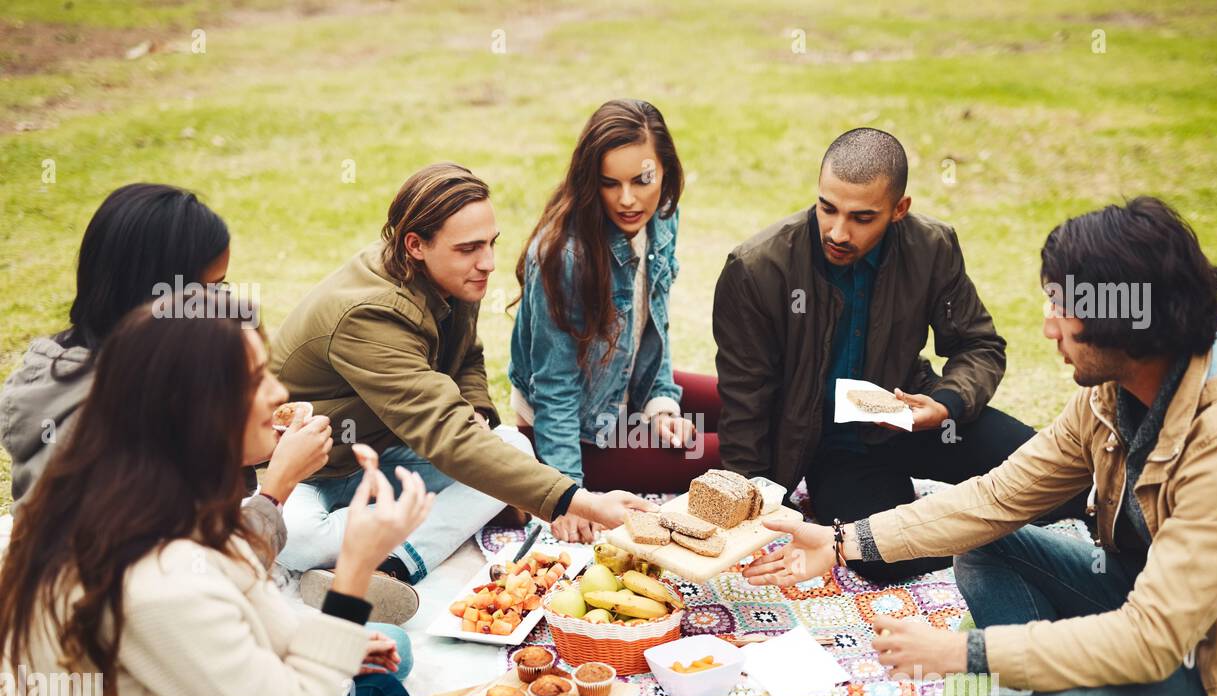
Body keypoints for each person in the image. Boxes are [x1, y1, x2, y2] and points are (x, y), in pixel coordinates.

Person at [744, 197, 1217, 696]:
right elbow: (996, 498)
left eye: (1063, 310)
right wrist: (845, 540)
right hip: (1147, 600)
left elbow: (1153, 638)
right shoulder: (1116, 391)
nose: (1048, 328)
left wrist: (966, 653)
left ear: (1126, 324)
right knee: (982, 543)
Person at [0, 294, 431, 696]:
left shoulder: (156, 496)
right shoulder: (155, 575)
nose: (280, 395)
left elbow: (249, 610)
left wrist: (331, 643)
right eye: (257, 381)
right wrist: (352, 572)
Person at [713, 128, 1085, 583]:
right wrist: (757, 505)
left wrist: (945, 404)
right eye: (827, 207)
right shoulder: (756, 269)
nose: (837, 231)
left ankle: (979, 524)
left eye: (862, 217)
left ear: (899, 210)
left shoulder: (931, 246)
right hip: (832, 450)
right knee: (879, 558)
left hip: (919, 418)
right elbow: (745, 399)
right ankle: (978, 534)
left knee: (1062, 483)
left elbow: (978, 345)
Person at [271, 163, 649, 597]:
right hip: (311, 473)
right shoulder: (369, 313)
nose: (488, 263)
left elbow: (467, 356)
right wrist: (582, 502)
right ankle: (394, 539)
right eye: (470, 248)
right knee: (294, 539)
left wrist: (478, 414)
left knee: (511, 446)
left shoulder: (450, 276)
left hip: (380, 453)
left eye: (491, 244)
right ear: (416, 244)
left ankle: (393, 566)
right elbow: (444, 433)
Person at [0, 183, 330, 582]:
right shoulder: (110, 422)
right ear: (160, 295)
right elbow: (193, 582)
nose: (219, 304)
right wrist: (278, 486)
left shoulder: (94, 365)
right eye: (209, 290)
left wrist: (236, 443)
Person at [508, 99, 723, 542]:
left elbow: (653, 324)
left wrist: (661, 405)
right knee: (735, 455)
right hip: (579, 427)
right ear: (591, 183)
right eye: (610, 184)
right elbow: (555, 387)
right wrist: (566, 495)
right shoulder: (564, 256)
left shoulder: (662, 215)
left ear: (665, 172)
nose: (628, 200)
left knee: (756, 402)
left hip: (627, 384)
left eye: (642, 180)